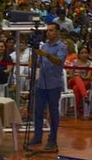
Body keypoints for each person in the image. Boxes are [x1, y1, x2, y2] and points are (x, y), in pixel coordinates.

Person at [28, 22, 67, 151]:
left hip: (54, 84)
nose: (48, 33)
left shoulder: (62, 47)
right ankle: (37, 135)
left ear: (57, 32)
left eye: (51, 30)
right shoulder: (44, 45)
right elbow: (40, 63)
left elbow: (59, 61)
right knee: (38, 110)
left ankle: (52, 139)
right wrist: (34, 59)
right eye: (47, 30)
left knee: (53, 112)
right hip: (41, 83)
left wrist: (46, 55)